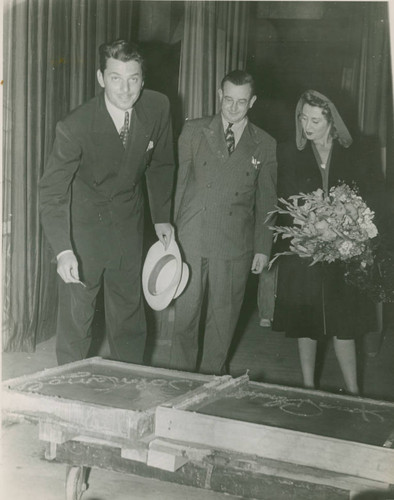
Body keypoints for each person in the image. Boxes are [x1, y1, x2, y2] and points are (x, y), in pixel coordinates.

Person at [40, 39, 175, 365]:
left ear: (144, 78)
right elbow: (52, 192)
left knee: (130, 319)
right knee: (77, 326)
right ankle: (69, 394)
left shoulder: (157, 107)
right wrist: (63, 250)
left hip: (129, 225)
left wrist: (161, 216)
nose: (126, 89)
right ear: (101, 78)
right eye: (116, 78)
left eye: (133, 78)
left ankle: (129, 392)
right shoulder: (75, 126)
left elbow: (162, 164)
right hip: (84, 233)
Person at [167, 70, 277, 375]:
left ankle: (211, 383)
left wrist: (262, 247)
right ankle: (179, 382)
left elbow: (267, 202)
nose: (233, 107)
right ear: (219, 95)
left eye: (241, 102)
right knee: (186, 318)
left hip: (234, 246)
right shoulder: (194, 131)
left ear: (252, 101)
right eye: (228, 99)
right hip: (192, 238)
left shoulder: (264, 144)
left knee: (223, 320)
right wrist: (168, 232)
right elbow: (177, 184)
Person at [272, 89, 379, 395]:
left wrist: (354, 231)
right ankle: (307, 388)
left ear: (331, 121)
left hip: (345, 251)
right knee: (306, 322)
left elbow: (369, 198)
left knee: (344, 325)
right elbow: (283, 200)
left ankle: (355, 392)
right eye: (303, 117)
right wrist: (299, 236)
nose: (307, 125)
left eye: (315, 120)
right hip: (305, 250)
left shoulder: (355, 152)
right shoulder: (290, 152)